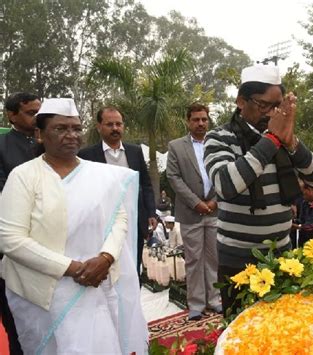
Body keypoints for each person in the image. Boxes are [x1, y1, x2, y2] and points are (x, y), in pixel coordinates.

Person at [0, 98, 148, 354]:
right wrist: (73, 268)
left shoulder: (100, 174)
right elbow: (10, 238)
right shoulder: (24, 176)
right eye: (60, 128)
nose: (71, 135)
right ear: (39, 134)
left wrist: (105, 258)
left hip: (98, 283)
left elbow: (119, 218)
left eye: (76, 128)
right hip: (46, 293)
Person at [204, 64, 313, 313]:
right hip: (238, 261)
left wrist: (291, 142)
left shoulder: (282, 138)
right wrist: (271, 140)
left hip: (282, 257)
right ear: (241, 101)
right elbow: (226, 184)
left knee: (278, 334)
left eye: (277, 106)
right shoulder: (219, 138)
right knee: (239, 335)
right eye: (264, 105)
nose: (271, 113)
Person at [78, 106, 157, 276]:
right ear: (99, 127)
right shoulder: (86, 155)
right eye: (109, 124)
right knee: (108, 269)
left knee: (134, 268)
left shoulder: (135, 151)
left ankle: (133, 301)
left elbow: (146, 183)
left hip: (134, 221)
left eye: (118, 124)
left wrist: (151, 212)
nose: (115, 128)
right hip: (103, 222)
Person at [166, 102, 221, 321]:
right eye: (196, 119)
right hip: (191, 213)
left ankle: (215, 300)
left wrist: (215, 201)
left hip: (215, 211)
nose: (200, 123)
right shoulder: (176, 146)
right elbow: (173, 177)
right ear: (188, 121)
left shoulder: (218, 145)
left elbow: (225, 172)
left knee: (214, 259)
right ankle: (196, 305)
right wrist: (195, 202)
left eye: (204, 119)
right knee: (193, 260)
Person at [0, 92, 41, 355]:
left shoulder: (51, 142)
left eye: (40, 111)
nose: (37, 117)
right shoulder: (2, 146)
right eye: (30, 112)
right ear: (11, 115)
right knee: (17, 321)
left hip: (52, 242)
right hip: (16, 242)